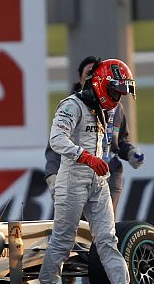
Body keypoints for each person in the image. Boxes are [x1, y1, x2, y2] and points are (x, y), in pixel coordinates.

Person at [32, 58, 147, 284]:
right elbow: (56, 139)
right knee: (62, 241)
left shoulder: (105, 110)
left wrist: (124, 154)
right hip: (72, 179)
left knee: (108, 238)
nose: (118, 97)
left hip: (98, 180)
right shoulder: (71, 105)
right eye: (116, 90)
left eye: (121, 92)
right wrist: (84, 157)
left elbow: (118, 142)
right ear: (101, 83)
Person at [45, 55, 145, 212]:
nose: (92, 78)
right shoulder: (72, 106)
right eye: (89, 74)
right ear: (80, 79)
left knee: (105, 226)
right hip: (76, 175)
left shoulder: (117, 108)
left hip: (108, 173)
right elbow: (57, 143)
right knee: (75, 228)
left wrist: (132, 152)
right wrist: (53, 176)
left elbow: (119, 142)